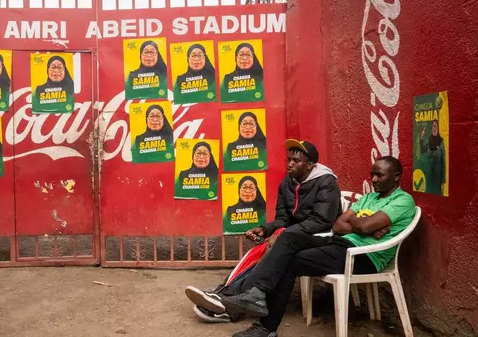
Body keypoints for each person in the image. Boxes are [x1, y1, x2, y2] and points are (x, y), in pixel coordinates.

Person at [222, 156, 416, 337]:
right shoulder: (370, 198)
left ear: (396, 176)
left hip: (363, 257)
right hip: (340, 243)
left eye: (379, 175)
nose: (374, 179)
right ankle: (257, 292)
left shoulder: (403, 201)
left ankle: (267, 327)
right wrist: (367, 227)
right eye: (372, 174)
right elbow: (338, 226)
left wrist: (359, 224)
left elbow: (359, 225)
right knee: (289, 237)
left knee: (292, 262)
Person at [186, 139, 341, 322]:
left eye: (296, 161)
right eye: (289, 159)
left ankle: (228, 300)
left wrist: (283, 234)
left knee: (275, 247)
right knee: (259, 250)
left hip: (321, 237)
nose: (290, 164)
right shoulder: (287, 182)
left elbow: (322, 220)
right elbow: (283, 219)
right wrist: (264, 229)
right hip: (295, 234)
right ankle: (225, 294)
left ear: (310, 165)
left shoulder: (326, 182)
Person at [420, 119, 446, 195]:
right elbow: (422, 150)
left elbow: (443, 162)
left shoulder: (441, 141)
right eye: (433, 126)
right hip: (429, 178)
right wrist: (422, 138)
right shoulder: (428, 141)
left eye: (436, 126)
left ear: (438, 128)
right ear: (431, 128)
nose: (435, 128)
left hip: (437, 179)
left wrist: (443, 182)